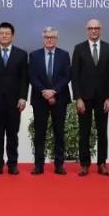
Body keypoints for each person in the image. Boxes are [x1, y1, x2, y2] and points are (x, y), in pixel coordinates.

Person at [0, 22, 29, 175]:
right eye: (1, 33)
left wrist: (23, 97)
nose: (4, 36)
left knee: (12, 135)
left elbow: (24, 79)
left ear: (12, 36)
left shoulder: (21, 54)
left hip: (15, 102)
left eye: (7, 33)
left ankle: (12, 164)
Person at [70, 18, 109, 176]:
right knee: (84, 132)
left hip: (103, 99)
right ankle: (84, 164)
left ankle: (102, 163)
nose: (94, 30)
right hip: (84, 98)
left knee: (102, 132)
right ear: (87, 30)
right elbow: (74, 76)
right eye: (91, 28)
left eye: (96, 28)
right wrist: (78, 98)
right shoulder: (79, 48)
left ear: (101, 30)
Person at [28, 26, 72, 175]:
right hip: (39, 99)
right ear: (43, 38)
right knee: (39, 133)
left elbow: (67, 76)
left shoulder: (64, 55)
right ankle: (38, 165)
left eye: (52, 37)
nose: (49, 39)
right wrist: (44, 91)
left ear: (56, 39)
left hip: (60, 98)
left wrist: (53, 91)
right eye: (47, 37)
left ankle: (59, 165)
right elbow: (32, 76)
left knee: (59, 132)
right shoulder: (34, 55)